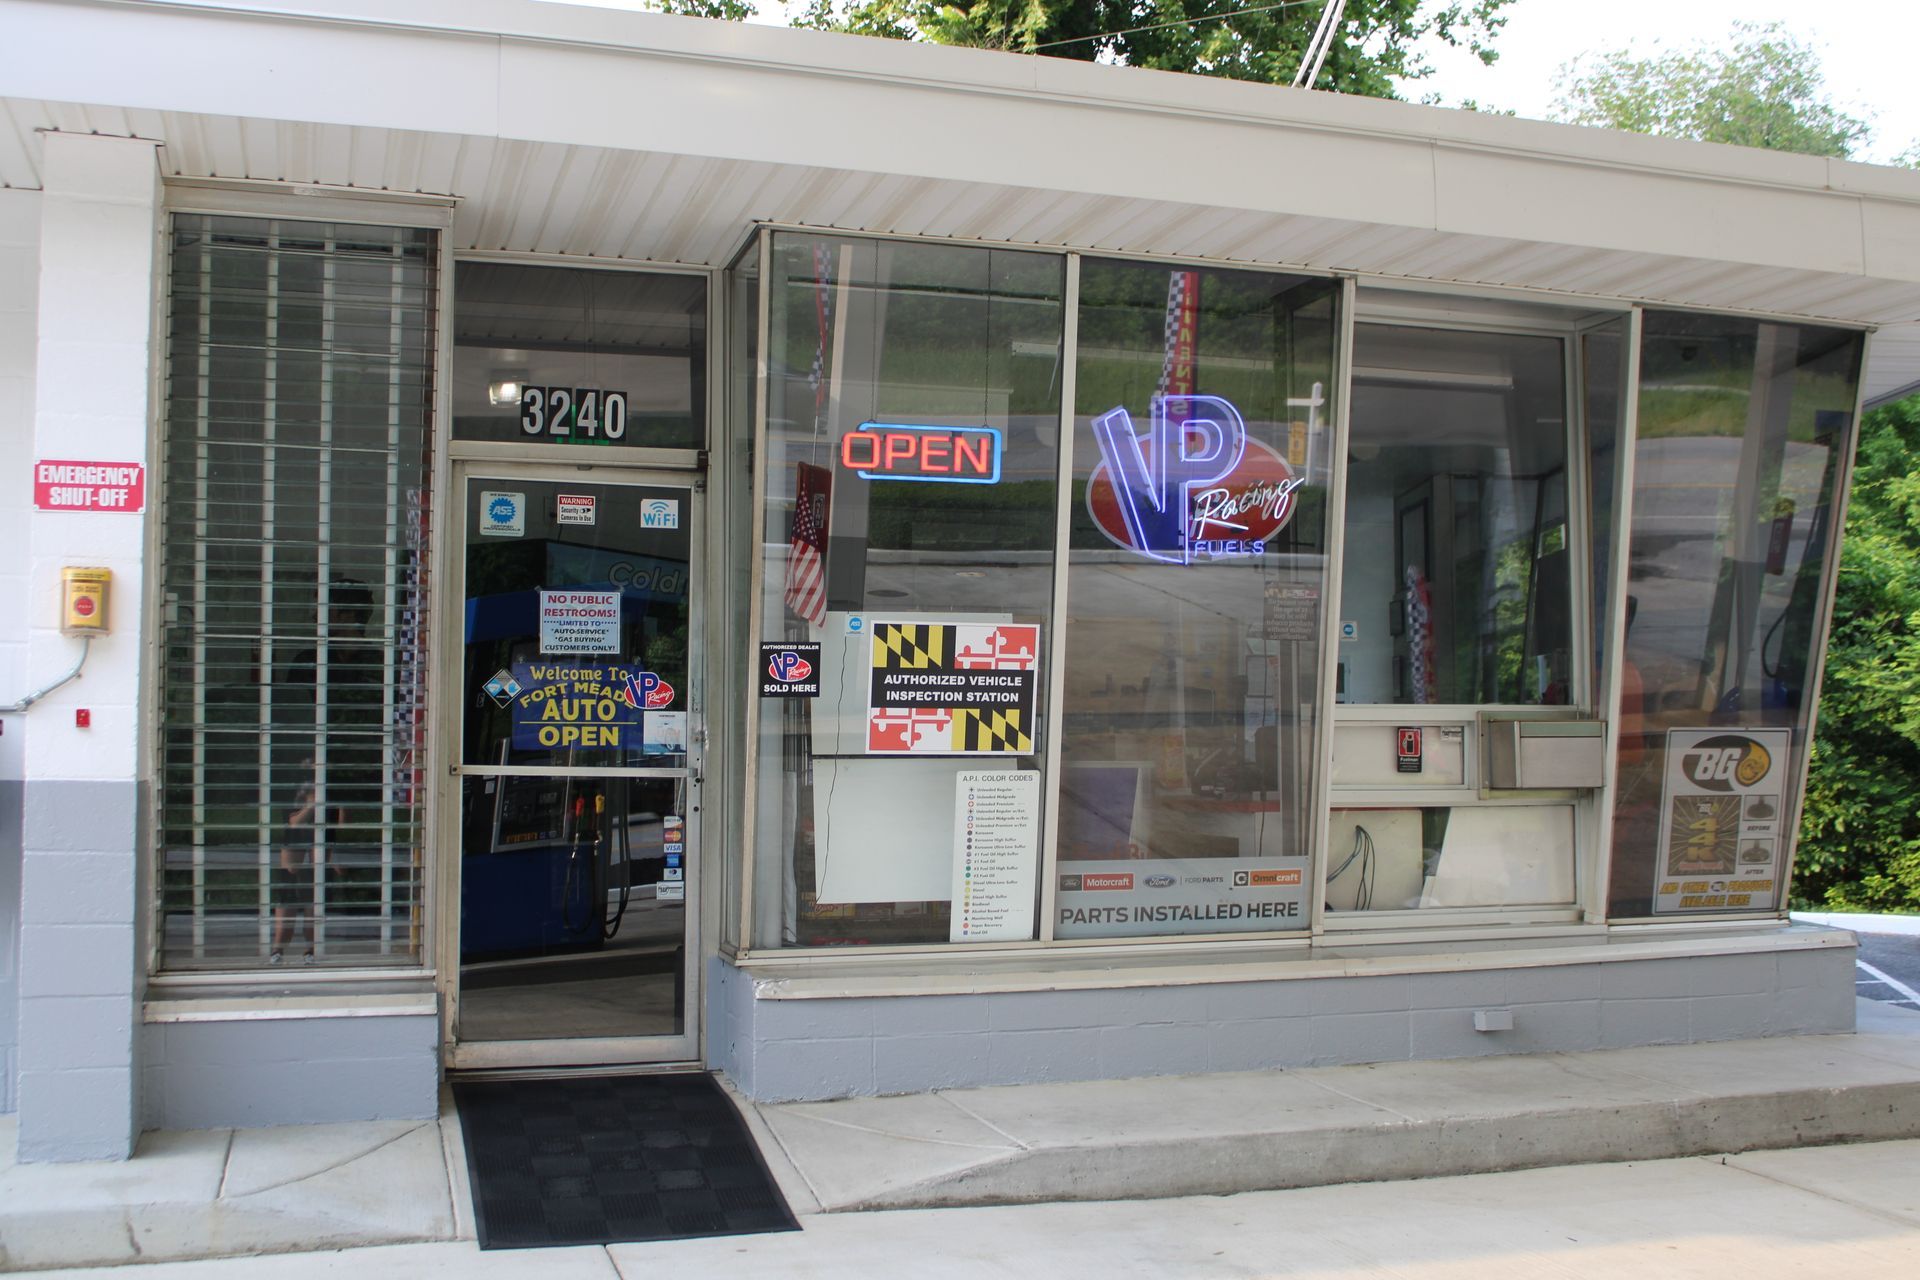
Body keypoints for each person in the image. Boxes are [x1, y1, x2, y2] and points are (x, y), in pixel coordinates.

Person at [271, 759, 340, 964]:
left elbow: (336, 822)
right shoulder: (296, 790)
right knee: (288, 895)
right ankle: (278, 950)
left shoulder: (329, 791)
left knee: (313, 897)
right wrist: (311, 805)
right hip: (295, 843)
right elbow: (293, 822)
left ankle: (310, 950)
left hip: (317, 843)